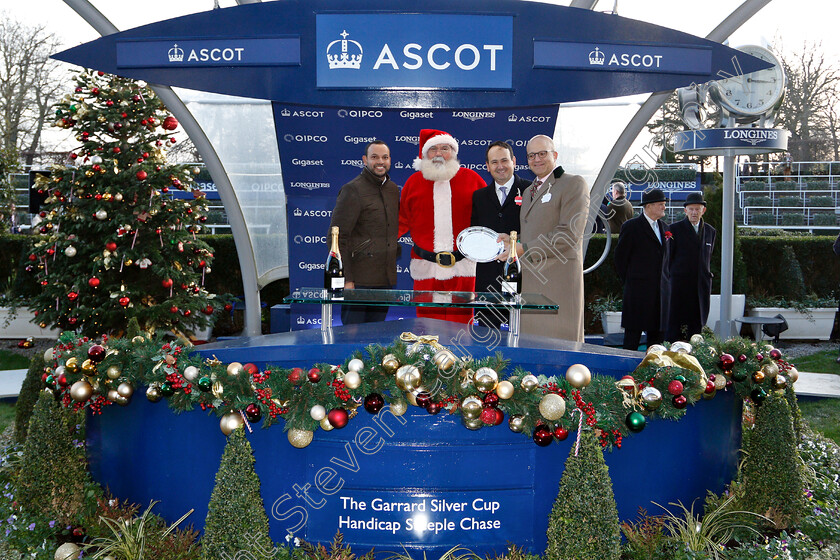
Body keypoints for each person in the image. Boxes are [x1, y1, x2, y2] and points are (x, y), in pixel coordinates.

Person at [499, 134, 588, 342]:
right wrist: (512, 241)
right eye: (531, 155)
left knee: (560, 351)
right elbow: (533, 233)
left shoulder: (573, 183)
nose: (537, 159)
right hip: (531, 284)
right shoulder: (530, 190)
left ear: (554, 155)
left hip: (558, 283)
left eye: (542, 154)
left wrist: (524, 248)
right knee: (533, 348)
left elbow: (568, 235)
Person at [398, 129, 485, 324]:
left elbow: (488, 218)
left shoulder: (473, 179)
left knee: (462, 326)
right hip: (426, 268)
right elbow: (400, 221)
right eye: (433, 149)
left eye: (445, 148)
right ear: (424, 154)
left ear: (453, 152)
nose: (438, 154)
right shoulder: (412, 183)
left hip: (463, 268)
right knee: (427, 326)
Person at [329, 140, 400, 324]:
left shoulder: (393, 190)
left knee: (375, 340)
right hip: (358, 283)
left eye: (385, 157)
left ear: (390, 160)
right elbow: (337, 237)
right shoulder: (352, 189)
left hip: (384, 282)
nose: (380, 162)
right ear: (365, 160)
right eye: (374, 157)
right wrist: (347, 280)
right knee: (352, 339)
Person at [470, 141, 530, 329]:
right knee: (486, 340)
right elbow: (475, 233)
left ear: (514, 161)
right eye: (494, 162)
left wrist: (517, 241)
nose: (500, 166)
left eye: (504, 160)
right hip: (488, 281)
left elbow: (538, 233)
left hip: (522, 277)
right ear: (487, 167)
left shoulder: (530, 190)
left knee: (523, 334)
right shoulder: (478, 196)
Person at [614, 188, 668, 351]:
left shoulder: (665, 227)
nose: (664, 207)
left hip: (660, 296)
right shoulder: (632, 227)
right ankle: (626, 373)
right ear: (649, 206)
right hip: (638, 294)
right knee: (632, 339)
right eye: (661, 204)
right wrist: (632, 281)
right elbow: (620, 258)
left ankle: (655, 374)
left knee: (657, 342)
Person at [661, 191, 716, 341]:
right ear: (685, 210)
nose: (694, 212)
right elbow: (667, 259)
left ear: (703, 210)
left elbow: (709, 258)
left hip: (700, 287)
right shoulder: (673, 230)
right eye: (691, 209)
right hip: (679, 286)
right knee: (673, 324)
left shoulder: (711, 231)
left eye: (697, 209)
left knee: (697, 326)